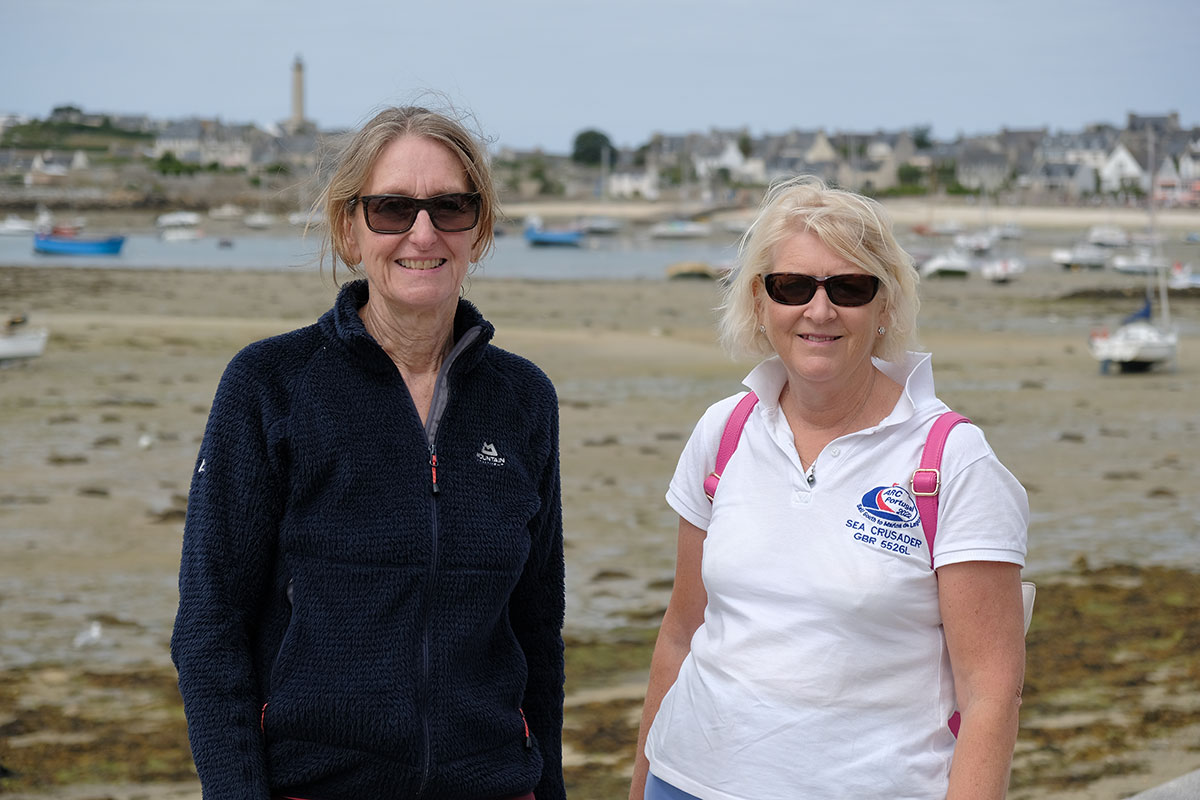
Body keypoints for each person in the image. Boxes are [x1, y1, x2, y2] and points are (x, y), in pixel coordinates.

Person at [171, 105, 565, 800]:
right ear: (349, 229)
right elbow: (210, 627)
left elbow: (538, 631)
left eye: (451, 207)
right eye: (391, 209)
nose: (423, 233)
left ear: (479, 230)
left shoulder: (523, 398)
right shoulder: (271, 385)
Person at [630, 176, 1028, 800]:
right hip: (682, 780)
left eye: (849, 287)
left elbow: (992, 693)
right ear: (760, 301)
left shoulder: (953, 461)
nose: (819, 311)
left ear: (885, 305)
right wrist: (640, 784)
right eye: (792, 286)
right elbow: (681, 632)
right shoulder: (724, 431)